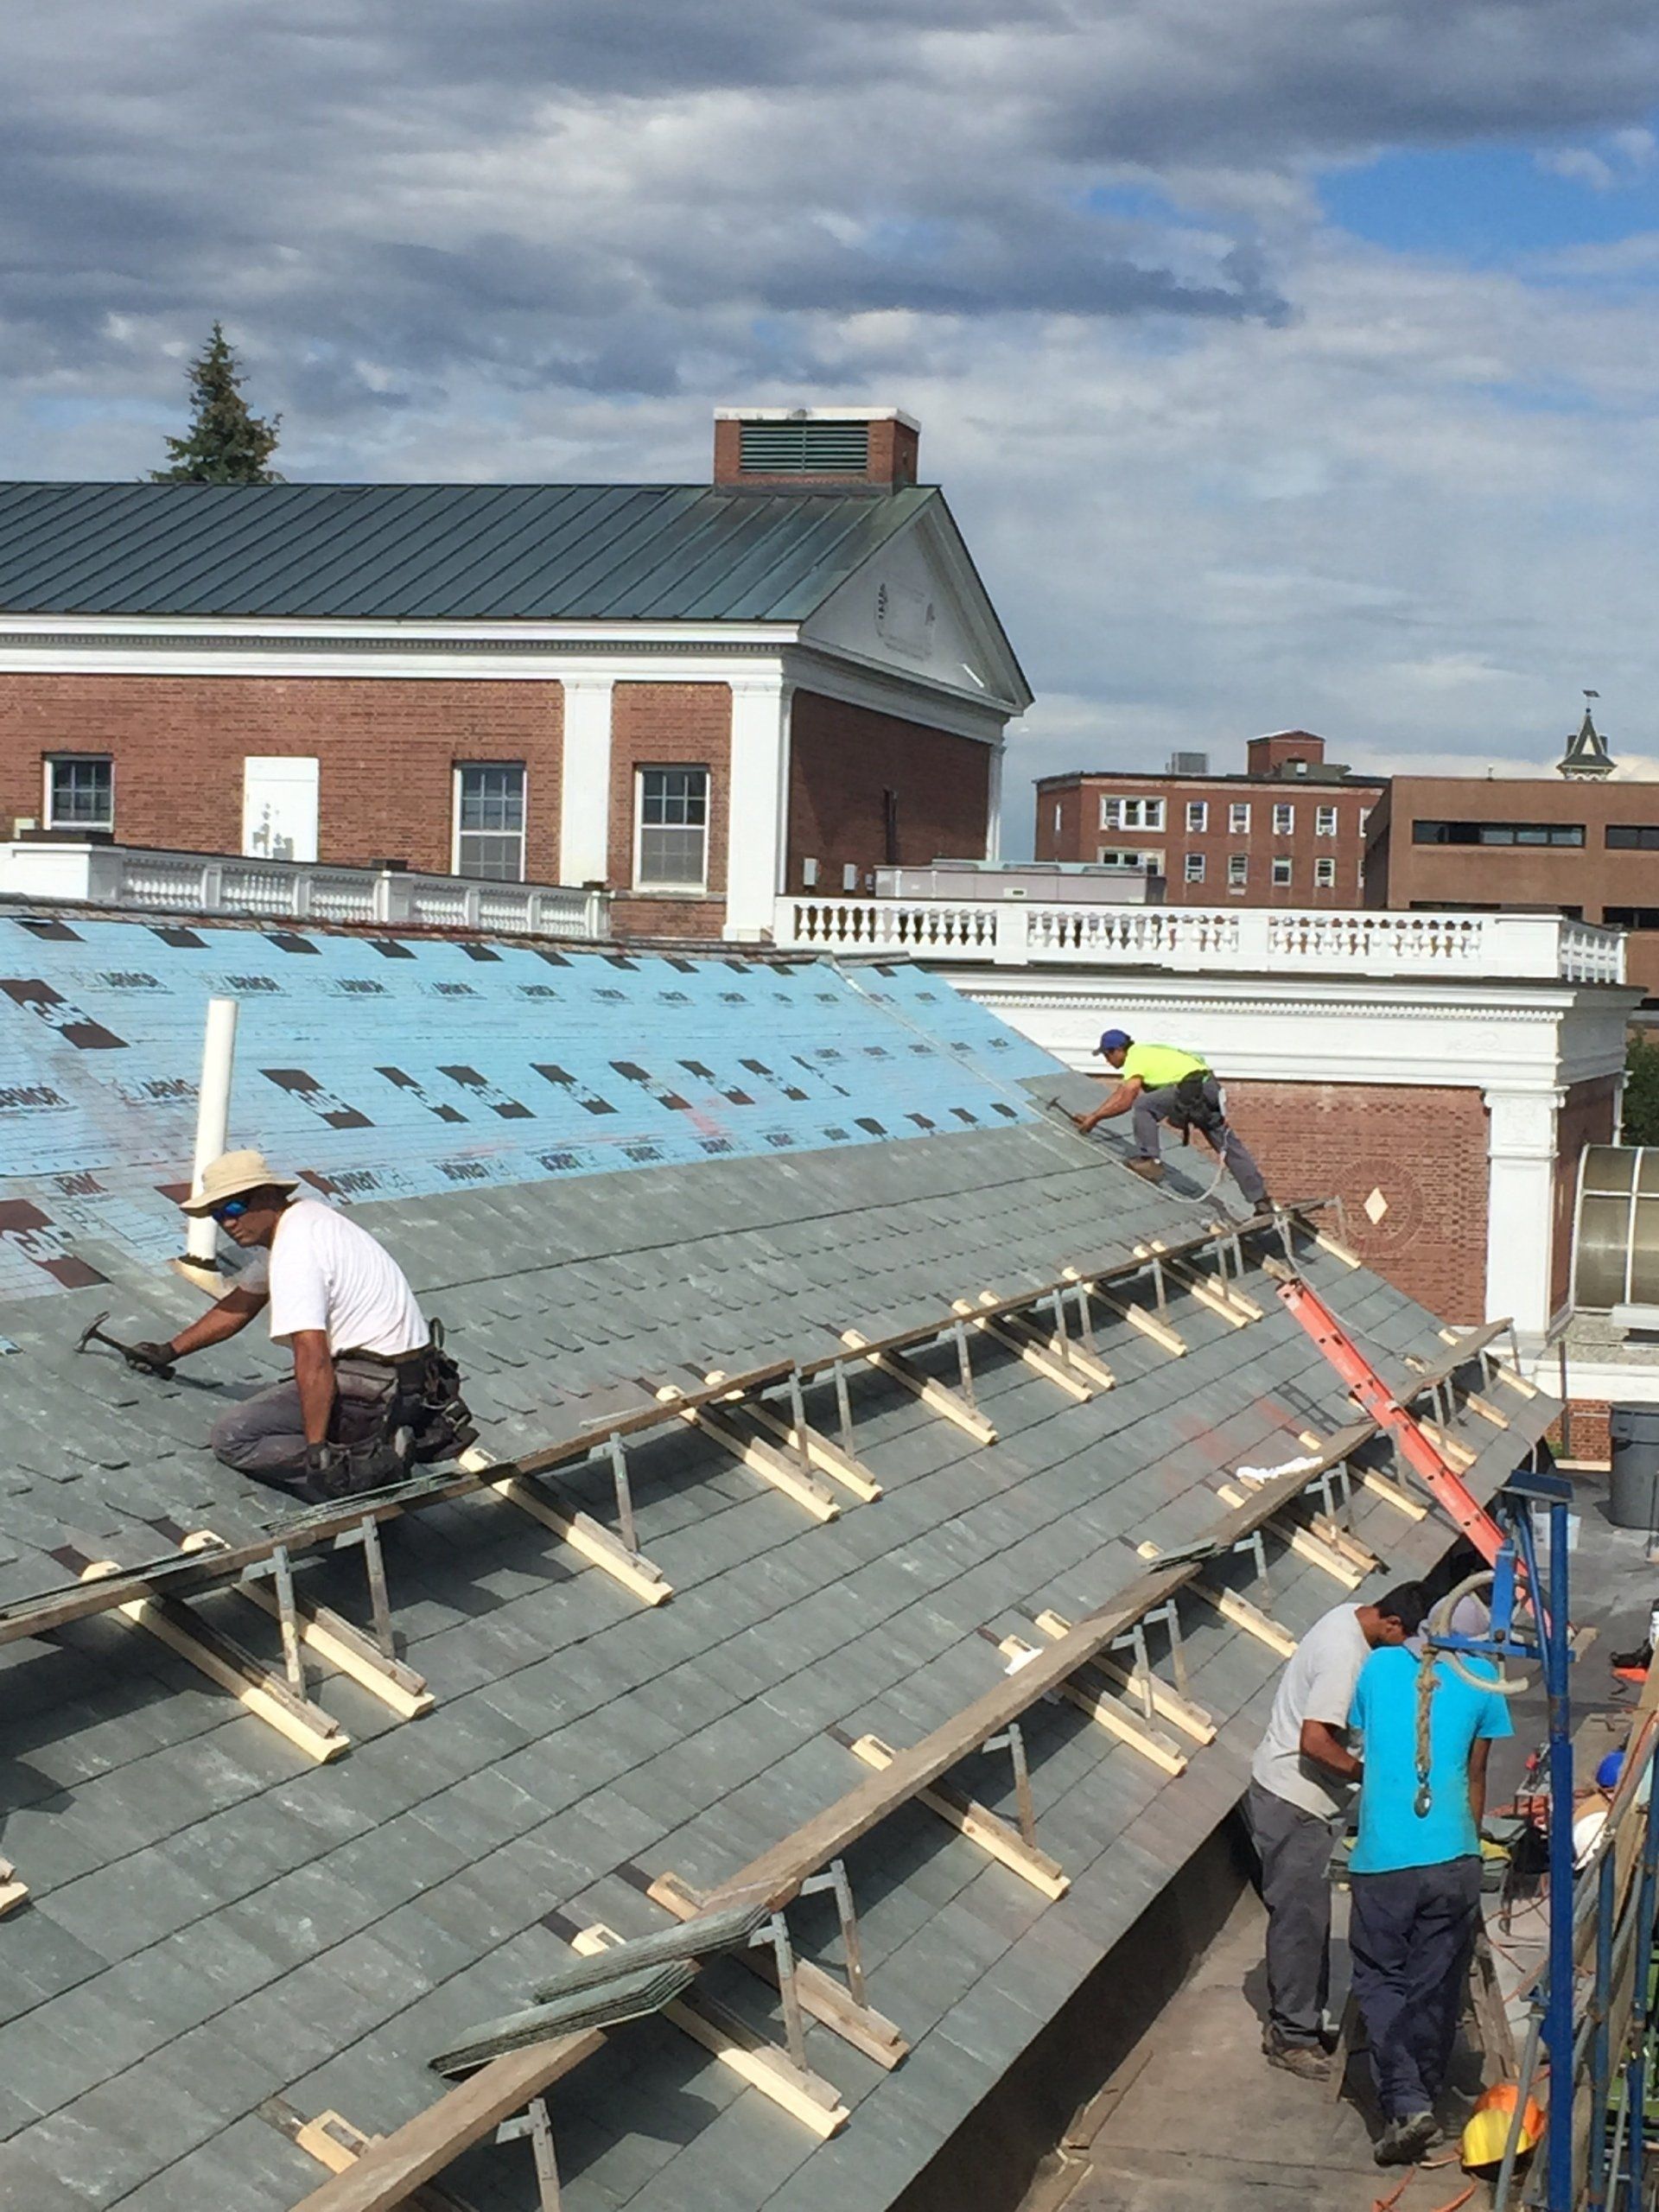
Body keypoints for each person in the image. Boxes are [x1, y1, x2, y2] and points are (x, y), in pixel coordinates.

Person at [127, 1148, 474, 1503]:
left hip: (373, 1388)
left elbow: (312, 1355)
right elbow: (241, 1304)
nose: (228, 1222)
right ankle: (379, 1445)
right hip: (412, 1383)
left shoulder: (296, 1249)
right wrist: (170, 1350)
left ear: (268, 1196)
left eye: (234, 1207)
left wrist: (316, 1448)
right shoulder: (308, 1221)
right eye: (218, 1214)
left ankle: (364, 1476)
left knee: (234, 1437)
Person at [1245, 1584, 1428, 2081]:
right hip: (1295, 1800)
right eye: (1403, 1640)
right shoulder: (1345, 1657)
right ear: (1390, 1624)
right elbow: (1314, 1741)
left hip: (1295, 1796)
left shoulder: (1350, 1616)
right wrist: (1367, 1775)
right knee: (1299, 1920)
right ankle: (1291, 2036)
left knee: (1311, 1917)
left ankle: (1304, 2017)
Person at [1345, 1635, 1514, 2165]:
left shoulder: (1379, 1666)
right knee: (1436, 1983)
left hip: (1383, 1860)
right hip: (1453, 1858)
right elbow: (1476, 1774)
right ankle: (1428, 2085)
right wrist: (1470, 1838)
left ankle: (1408, 2098)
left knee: (1379, 1977)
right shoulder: (1484, 1679)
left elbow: (1366, 1737)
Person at [1072, 1029, 1272, 1209]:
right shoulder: (1149, 1051)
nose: (1108, 1061)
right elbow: (1123, 1090)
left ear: (1117, 1050)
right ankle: (1260, 1200)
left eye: (1107, 1055)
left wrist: (1095, 1118)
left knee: (1143, 1105)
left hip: (1191, 1088)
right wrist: (1094, 1116)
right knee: (1227, 1144)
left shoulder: (1135, 1058)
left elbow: (1126, 1098)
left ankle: (1150, 1160)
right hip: (1207, 1086)